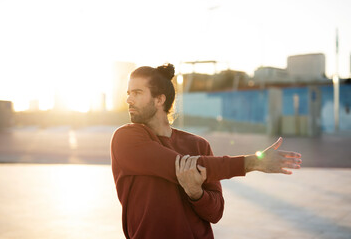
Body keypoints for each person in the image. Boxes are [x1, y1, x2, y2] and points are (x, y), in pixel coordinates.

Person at [110, 63, 302, 239]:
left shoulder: (199, 145)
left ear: (160, 99)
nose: (128, 99)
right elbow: (180, 166)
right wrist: (253, 162)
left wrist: (196, 194)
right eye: (128, 93)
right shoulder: (126, 139)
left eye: (136, 93)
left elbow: (215, 213)